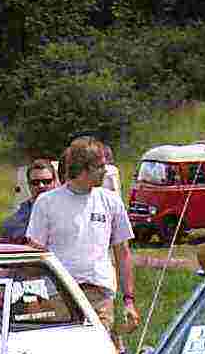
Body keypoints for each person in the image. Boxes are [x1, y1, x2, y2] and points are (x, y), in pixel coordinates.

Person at [26, 135, 136, 332]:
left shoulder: (111, 201)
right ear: (83, 169)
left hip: (100, 296)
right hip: (59, 296)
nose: (105, 171)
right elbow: (34, 255)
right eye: (100, 166)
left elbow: (123, 253)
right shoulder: (46, 203)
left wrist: (129, 301)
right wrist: (31, 298)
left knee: (101, 350)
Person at [0, 159, 58, 242]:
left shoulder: (67, 211)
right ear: (29, 185)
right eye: (35, 182)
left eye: (46, 181)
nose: (41, 186)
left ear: (55, 182)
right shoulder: (14, 223)